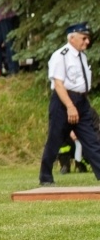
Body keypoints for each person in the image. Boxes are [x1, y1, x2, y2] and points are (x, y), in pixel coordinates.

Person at [39, 23, 100, 186]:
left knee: (92, 139)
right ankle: (45, 176)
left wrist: (79, 104)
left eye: (88, 38)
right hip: (64, 101)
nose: (87, 41)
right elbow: (59, 84)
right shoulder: (61, 56)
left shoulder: (82, 56)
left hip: (81, 101)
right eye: (84, 38)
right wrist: (70, 106)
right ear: (72, 38)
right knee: (55, 139)